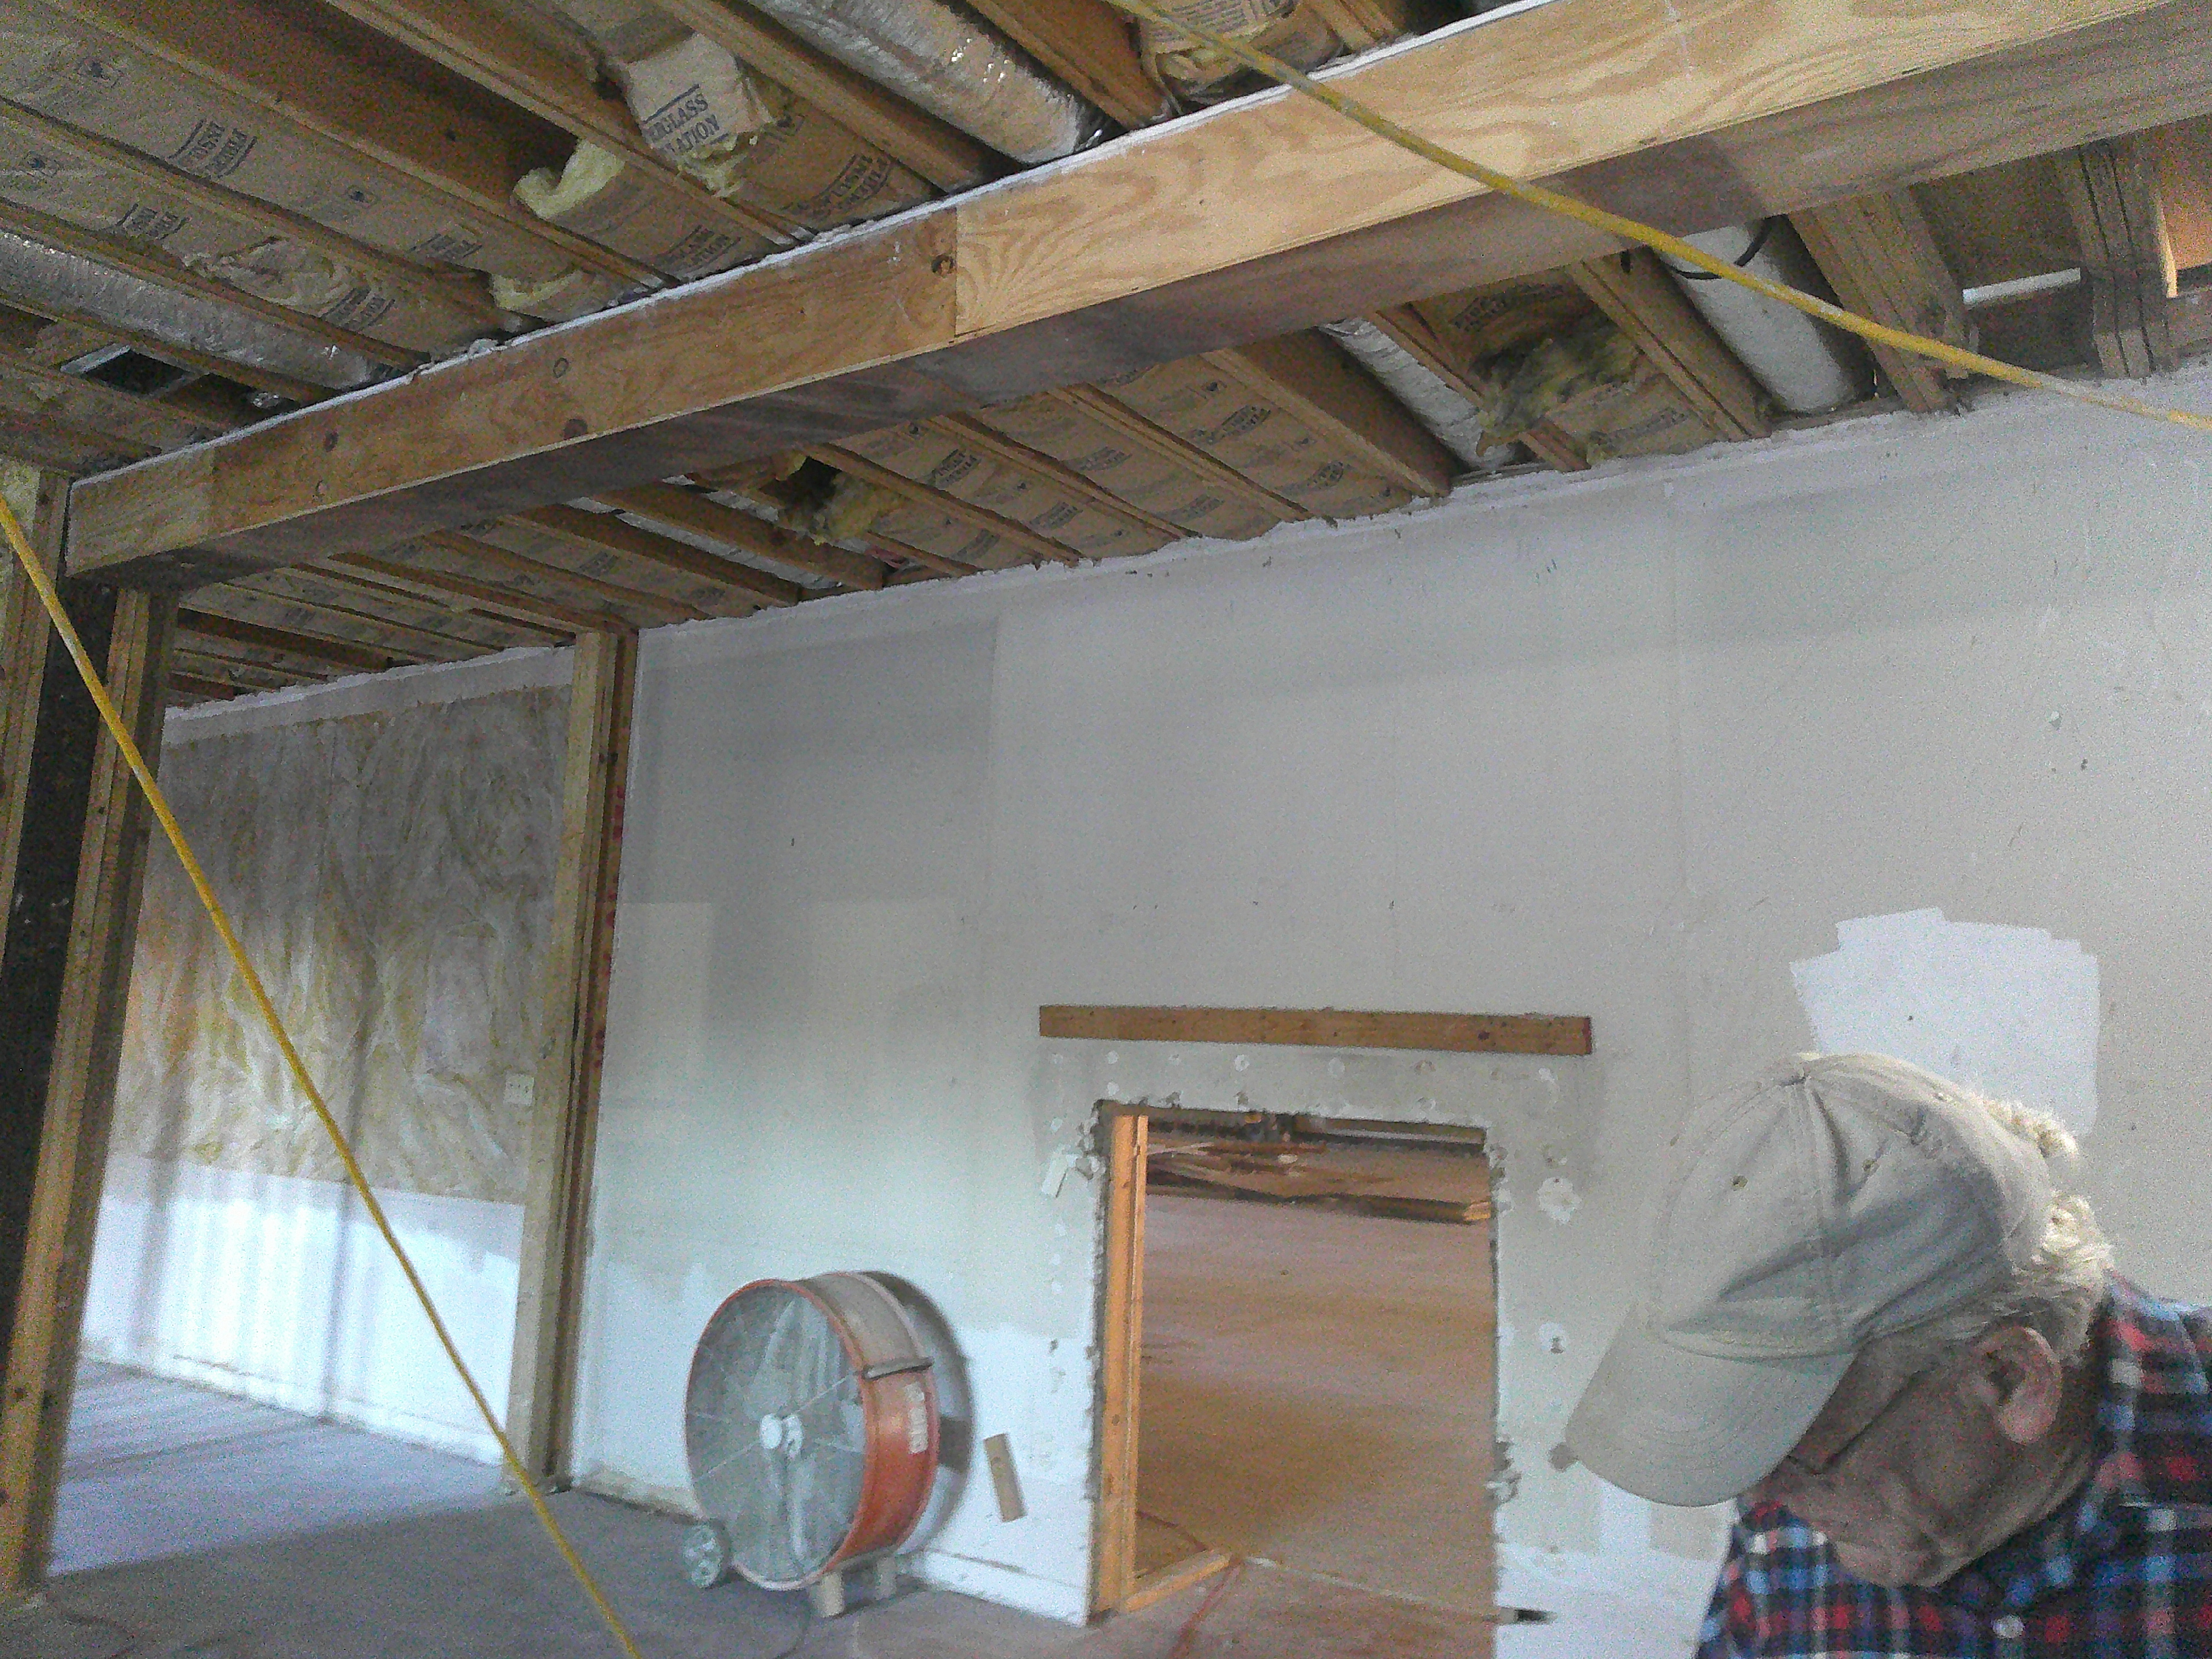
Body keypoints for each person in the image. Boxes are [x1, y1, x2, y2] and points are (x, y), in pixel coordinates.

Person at [1563, 1053, 2212, 1657]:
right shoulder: (1790, 1516)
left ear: (2010, 1379)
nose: (1759, 1495)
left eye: (1796, 1450)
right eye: (1751, 1434)